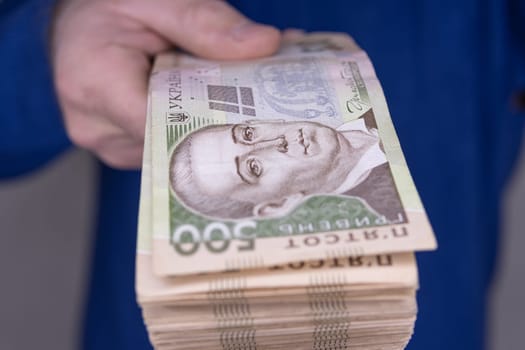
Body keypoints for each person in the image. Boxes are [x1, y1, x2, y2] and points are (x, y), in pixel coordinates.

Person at [1, 0, 524, 350]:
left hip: (439, 297)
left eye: (249, 136)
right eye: (253, 165)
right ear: (273, 208)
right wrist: (43, 51)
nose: (277, 138)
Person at [170, 116, 403, 221]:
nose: (276, 143)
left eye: (247, 134)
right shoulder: (397, 208)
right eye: (254, 167)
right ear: (277, 205)